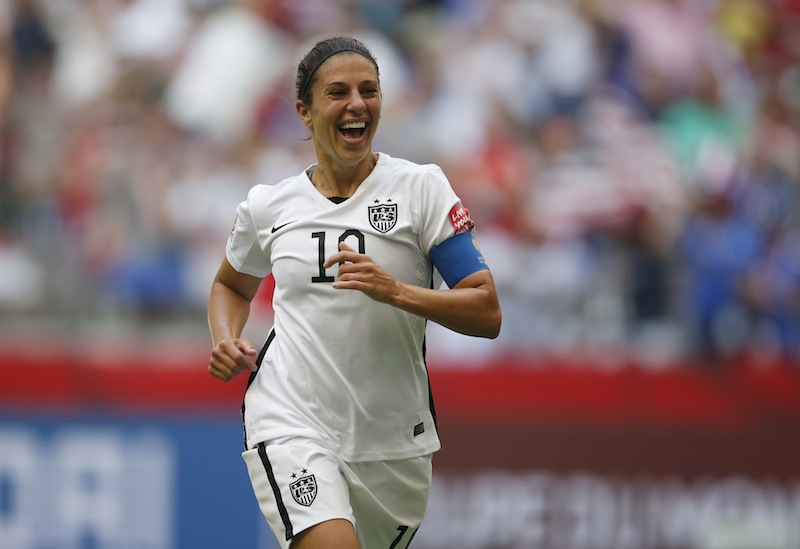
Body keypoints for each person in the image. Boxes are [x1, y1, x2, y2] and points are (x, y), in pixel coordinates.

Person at [207, 36, 501, 549]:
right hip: (291, 416)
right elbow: (231, 284)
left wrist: (397, 291)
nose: (357, 104)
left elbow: (486, 310)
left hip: (393, 444)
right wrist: (224, 335)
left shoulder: (422, 189)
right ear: (304, 111)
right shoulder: (268, 206)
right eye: (338, 92)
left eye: (369, 90)